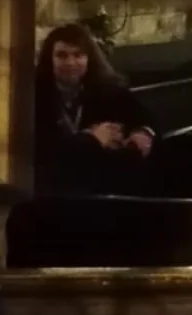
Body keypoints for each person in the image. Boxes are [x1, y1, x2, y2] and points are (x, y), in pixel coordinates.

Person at [33, 23, 155, 190]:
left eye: (78, 55)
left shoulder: (108, 89)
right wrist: (92, 140)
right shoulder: (34, 95)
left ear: (89, 58)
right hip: (54, 189)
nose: (70, 62)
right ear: (49, 59)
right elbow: (46, 150)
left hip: (99, 186)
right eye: (62, 55)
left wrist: (143, 133)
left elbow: (146, 118)